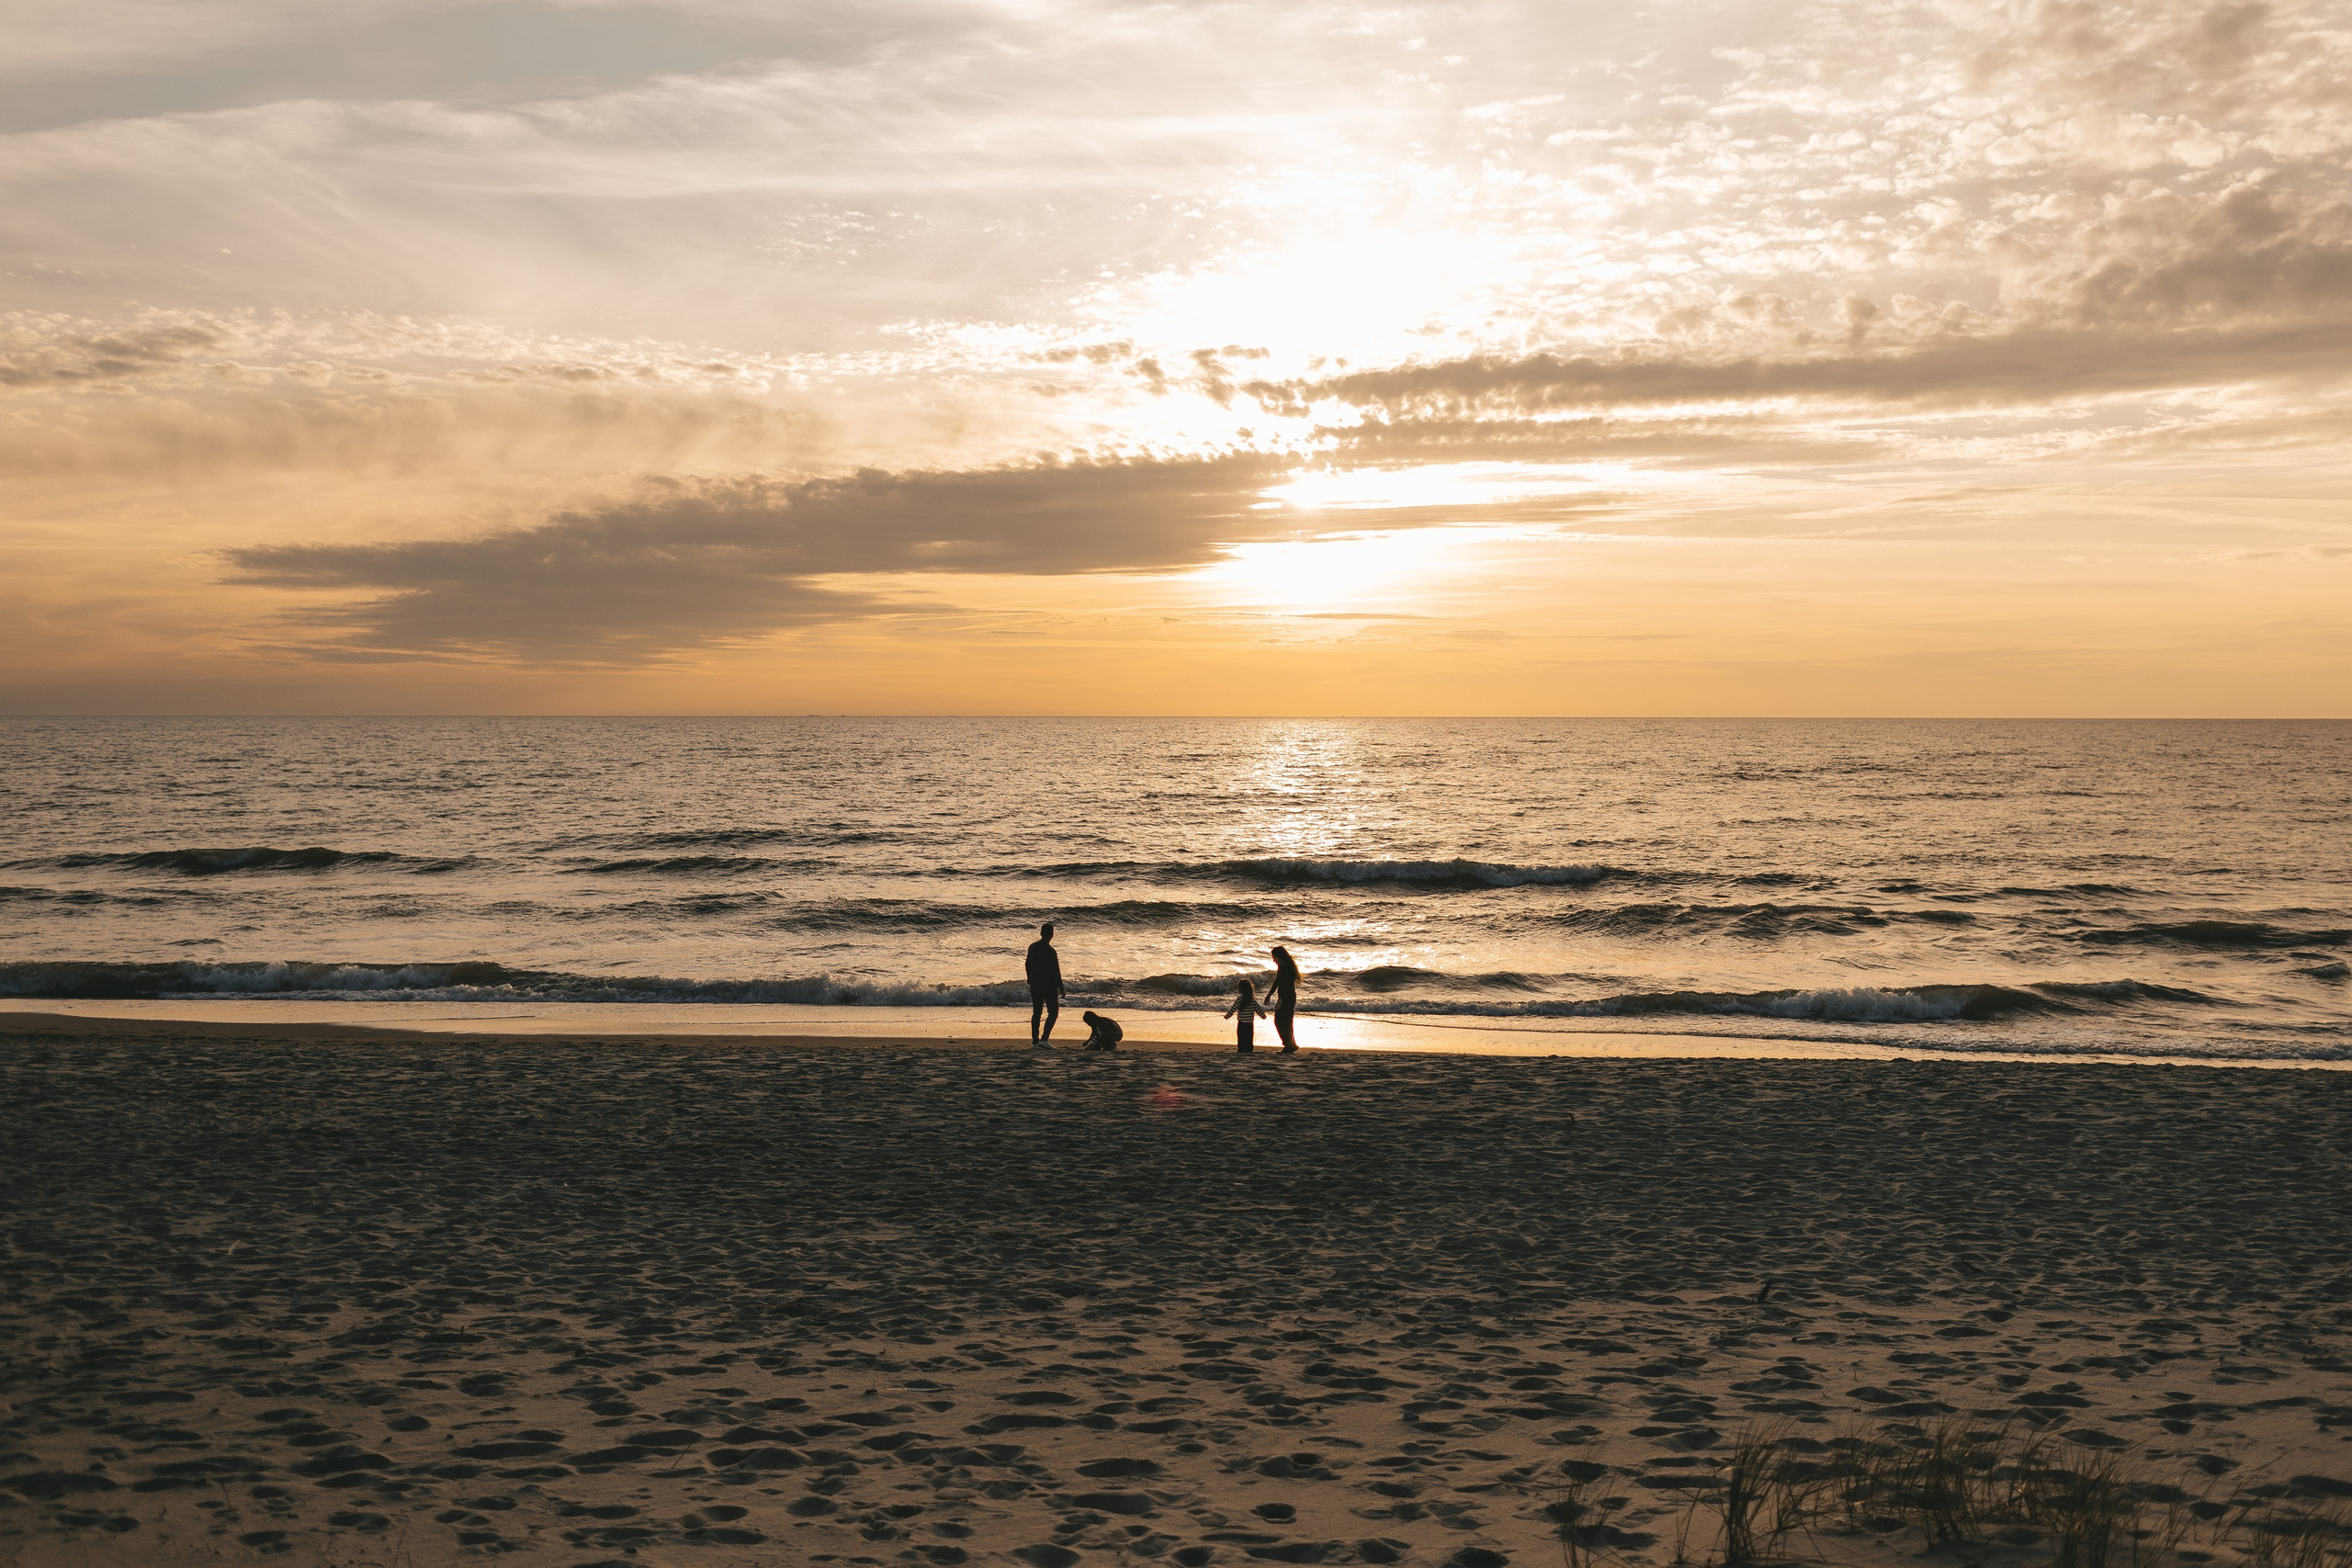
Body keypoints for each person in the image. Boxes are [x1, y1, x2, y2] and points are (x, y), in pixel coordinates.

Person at [1025, 922, 1065, 1045]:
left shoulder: (1032, 947)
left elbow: (1027, 964)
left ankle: (1035, 1041)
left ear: (1041, 933)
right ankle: (1044, 1039)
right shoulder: (1051, 951)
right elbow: (1055, 971)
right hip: (1049, 985)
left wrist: (1029, 978)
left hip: (1035, 984)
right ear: (1052, 934)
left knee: (1037, 1012)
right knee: (1053, 1012)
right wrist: (1061, 987)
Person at [1266, 945, 1302, 1054]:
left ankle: (1289, 1045)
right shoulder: (1282, 967)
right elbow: (1277, 982)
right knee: (1284, 1022)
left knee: (1282, 1022)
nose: (1274, 960)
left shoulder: (1287, 969)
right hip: (1286, 996)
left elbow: (1286, 987)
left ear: (1280, 957)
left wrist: (1280, 1000)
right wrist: (1270, 994)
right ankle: (1291, 1044)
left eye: (1275, 958)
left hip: (1287, 997)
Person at [1222, 977, 1267, 1054]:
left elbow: (1233, 1009)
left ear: (1241, 989)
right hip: (1250, 1024)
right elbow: (1259, 1010)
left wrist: (1227, 1016)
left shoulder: (1239, 999)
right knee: (1249, 1038)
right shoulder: (1252, 1000)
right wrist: (1263, 1016)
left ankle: (1241, 1050)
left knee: (1241, 1038)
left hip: (1241, 1023)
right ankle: (1249, 1050)